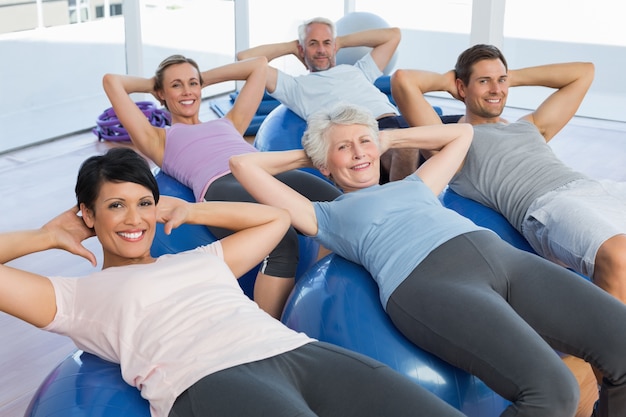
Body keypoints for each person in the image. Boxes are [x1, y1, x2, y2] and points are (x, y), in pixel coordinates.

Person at [0, 147, 470, 417]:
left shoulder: (200, 258)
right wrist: (43, 236)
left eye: (144, 203)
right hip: (208, 382)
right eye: (115, 205)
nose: (134, 219)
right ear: (87, 214)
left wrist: (191, 210)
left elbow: (275, 219)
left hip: (294, 351)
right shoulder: (74, 297)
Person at [229, 103, 626, 417]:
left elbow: (462, 134)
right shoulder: (324, 215)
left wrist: (385, 139)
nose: (359, 153)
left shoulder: (417, 184)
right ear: (324, 165)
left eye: (364, 142)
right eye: (344, 148)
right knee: (553, 392)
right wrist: (315, 151)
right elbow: (243, 164)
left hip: (500, 258)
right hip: (429, 283)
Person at [102, 55, 341, 319]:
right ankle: (271, 332)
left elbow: (258, 65)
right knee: (281, 240)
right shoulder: (157, 138)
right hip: (221, 185)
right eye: (177, 85)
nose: (187, 92)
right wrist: (156, 83)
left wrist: (200, 79)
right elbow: (112, 81)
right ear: (161, 93)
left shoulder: (230, 122)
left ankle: (318, 292)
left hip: (263, 174)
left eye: (193, 83)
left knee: (339, 206)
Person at [390, 44, 626, 306]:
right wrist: (453, 81)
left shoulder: (530, 126)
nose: (496, 90)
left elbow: (584, 72)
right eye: (484, 81)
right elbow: (403, 80)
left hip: (594, 188)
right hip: (548, 205)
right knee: (619, 255)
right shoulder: (453, 142)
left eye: (501, 81)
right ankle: (603, 345)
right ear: (461, 87)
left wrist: (507, 76)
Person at [236, 16, 418, 183]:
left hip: (404, 123)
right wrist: (292, 47)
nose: (321, 50)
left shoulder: (359, 70)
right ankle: (402, 210)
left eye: (327, 43)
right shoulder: (294, 87)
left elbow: (393, 35)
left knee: (444, 133)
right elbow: (245, 59)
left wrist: (341, 42)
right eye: (313, 44)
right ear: (302, 49)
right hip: (372, 134)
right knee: (407, 148)